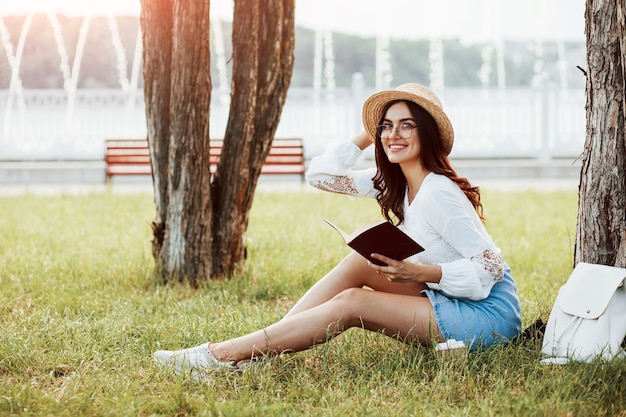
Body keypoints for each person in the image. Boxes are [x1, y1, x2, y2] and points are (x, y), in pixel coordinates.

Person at [154, 83, 522, 380]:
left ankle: (222, 355)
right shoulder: (392, 182)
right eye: (387, 126)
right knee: (360, 262)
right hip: (450, 297)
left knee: (352, 303)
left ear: (426, 133)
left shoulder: (438, 192)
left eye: (406, 125)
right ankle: (258, 351)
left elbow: (490, 268)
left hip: (488, 316)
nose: (394, 134)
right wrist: (369, 132)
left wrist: (421, 273)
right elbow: (320, 176)